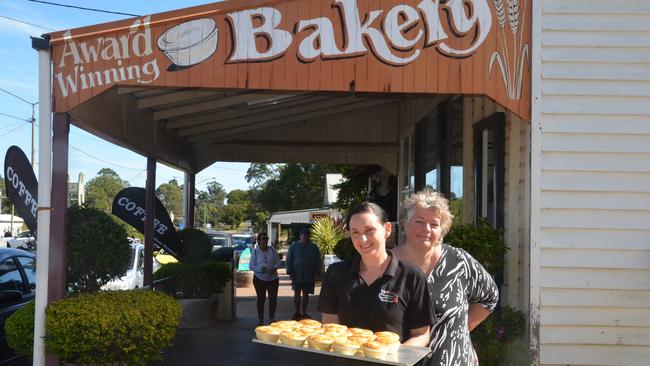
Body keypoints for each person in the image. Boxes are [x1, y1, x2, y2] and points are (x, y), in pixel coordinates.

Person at [394, 190, 499, 365]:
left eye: (434, 224)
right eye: (419, 221)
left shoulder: (458, 261)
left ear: (442, 230)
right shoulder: (387, 265)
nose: (426, 229)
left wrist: (460, 330)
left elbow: (489, 296)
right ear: (404, 224)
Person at [319, 202, 433, 346]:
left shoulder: (411, 276)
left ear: (387, 230)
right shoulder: (336, 274)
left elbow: (421, 334)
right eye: (355, 232)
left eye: (369, 230)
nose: (363, 240)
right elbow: (330, 328)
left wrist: (392, 358)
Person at [285, 227, 321, 320]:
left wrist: (317, 272)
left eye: (307, 235)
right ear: (300, 236)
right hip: (297, 274)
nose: (305, 236)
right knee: (297, 293)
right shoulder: (294, 246)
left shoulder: (314, 247)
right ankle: (297, 312)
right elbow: (288, 260)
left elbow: (318, 261)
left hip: (309, 275)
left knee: (306, 294)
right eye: (304, 235)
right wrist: (290, 271)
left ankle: (304, 312)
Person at [248, 232, 281, 325]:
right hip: (259, 279)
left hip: (273, 279)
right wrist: (260, 269)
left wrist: (273, 268)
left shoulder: (272, 250)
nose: (265, 241)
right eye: (263, 239)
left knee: (273, 298)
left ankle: (271, 318)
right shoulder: (255, 252)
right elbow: (251, 266)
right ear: (258, 241)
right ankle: (261, 319)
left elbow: (278, 263)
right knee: (261, 299)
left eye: (266, 239)